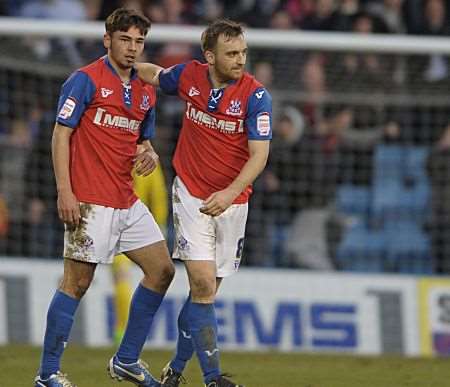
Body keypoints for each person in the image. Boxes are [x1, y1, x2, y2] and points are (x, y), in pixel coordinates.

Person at [34, 8, 175, 387]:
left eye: (139, 41)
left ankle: (127, 359)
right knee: (76, 283)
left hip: (126, 200)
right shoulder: (84, 80)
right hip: (90, 200)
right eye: (125, 39)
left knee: (163, 271)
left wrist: (150, 152)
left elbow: (141, 139)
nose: (132, 49)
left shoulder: (145, 89)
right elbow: (61, 134)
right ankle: (47, 373)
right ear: (107, 40)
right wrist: (65, 189)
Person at [136, 19, 272, 387]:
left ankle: (175, 371)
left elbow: (259, 156)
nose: (240, 59)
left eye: (243, 52)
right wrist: (129, 66)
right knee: (200, 282)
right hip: (192, 195)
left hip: (233, 202)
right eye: (231, 53)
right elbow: (155, 74)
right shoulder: (189, 77)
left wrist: (230, 193)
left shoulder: (256, 96)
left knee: (204, 294)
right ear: (209, 56)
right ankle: (214, 379)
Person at [112, 163, 169, 344]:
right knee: (155, 276)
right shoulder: (148, 159)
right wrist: (159, 227)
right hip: (138, 228)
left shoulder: (115, 153)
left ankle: (121, 331)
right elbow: (159, 196)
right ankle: (130, 333)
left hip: (110, 221)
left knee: (121, 278)